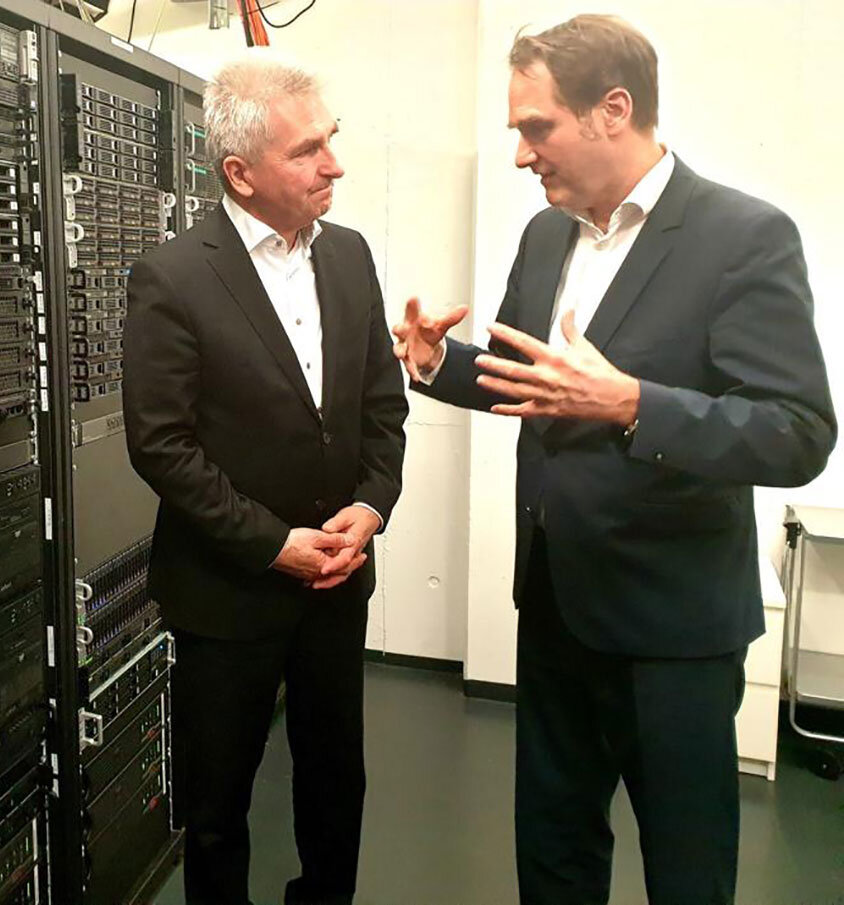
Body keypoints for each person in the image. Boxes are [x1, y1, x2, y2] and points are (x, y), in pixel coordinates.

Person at [394, 14, 836, 905]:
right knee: (553, 854)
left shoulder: (742, 235)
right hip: (555, 606)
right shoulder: (546, 237)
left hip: (673, 633)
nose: (521, 154)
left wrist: (635, 403)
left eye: (535, 127)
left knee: (686, 867)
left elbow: (796, 430)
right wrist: (444, 364)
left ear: (613, 111)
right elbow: (536, 384)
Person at [122, 55, 408, 905]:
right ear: (239, 174)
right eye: (308, 150)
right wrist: (272, 543)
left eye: (333, 141)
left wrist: (369, 505)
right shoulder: (173, 277)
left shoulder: (350, 257)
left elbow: (381, 406)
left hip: (337, 580)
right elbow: (161, 444)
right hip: (227, 594)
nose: (334, 165)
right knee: (218, 807)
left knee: (336, 787)